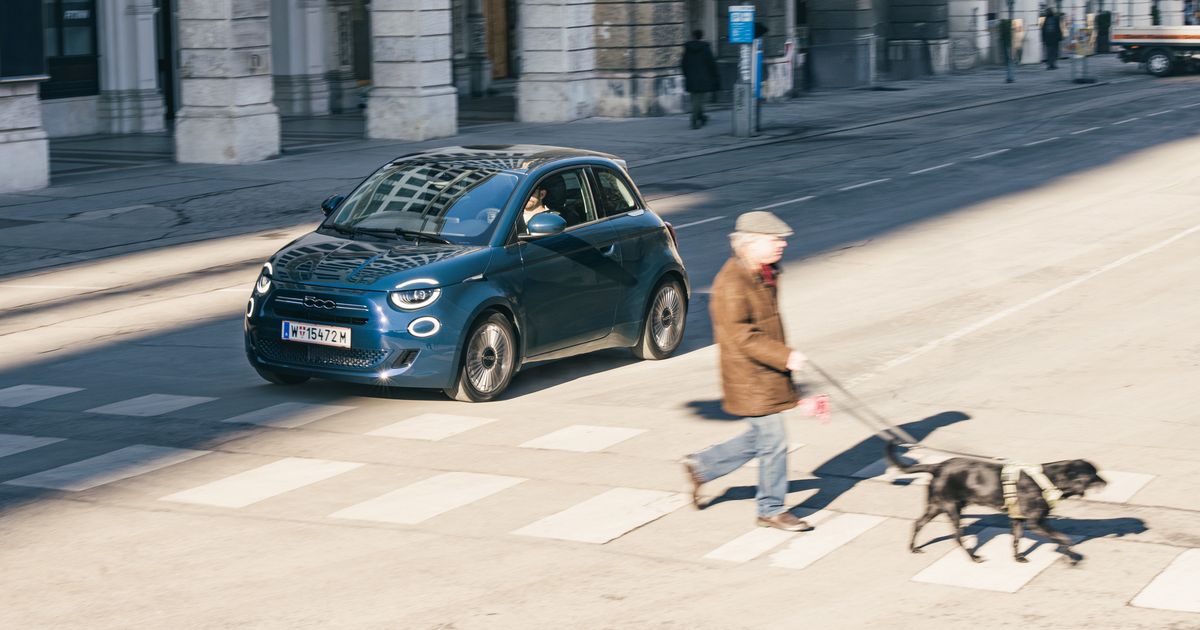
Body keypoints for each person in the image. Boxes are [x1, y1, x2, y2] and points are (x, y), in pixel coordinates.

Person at [682, 211, 815, 532]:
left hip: (767, 372)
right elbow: (742, 336)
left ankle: (702, 466)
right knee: (774, 441)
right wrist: (785, 356)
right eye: (774, 239)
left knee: (762, 438)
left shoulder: (763, 272)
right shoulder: (732, 284)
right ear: (750, 243)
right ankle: (770, 509)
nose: (782, 244)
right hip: (750, 376)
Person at [680, 30, 719, 129]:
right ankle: (694, 120)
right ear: (701, 36)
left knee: (695, 99)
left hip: (691, 77)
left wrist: (686, 74)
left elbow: (683, 63)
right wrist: (714, 76)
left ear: (693, 36)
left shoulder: (687, 49)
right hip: (703, 78)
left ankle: (702, 117)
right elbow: (711, 64)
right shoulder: (705, 48)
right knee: (699, 100)